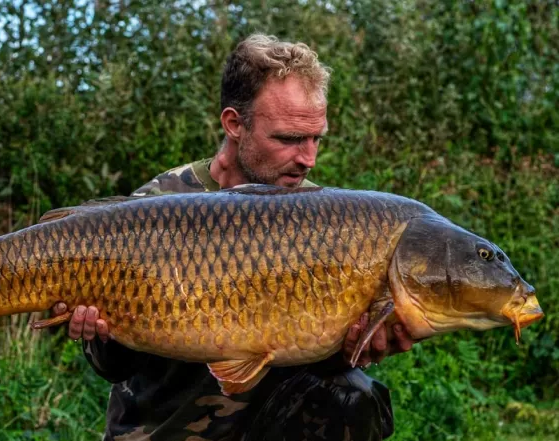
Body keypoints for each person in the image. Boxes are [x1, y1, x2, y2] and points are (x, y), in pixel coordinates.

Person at [52, 34, 417, 441]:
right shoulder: (158, 203)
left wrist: (356, 346)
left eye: (316, 138)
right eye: (289, 139)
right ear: (234, 124)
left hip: (265, 425)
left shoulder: (320, 216)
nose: (308, 158)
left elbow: (311, 358)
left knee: (355, 396)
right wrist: (99, 333)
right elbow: (110, 368)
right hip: (163, 427)